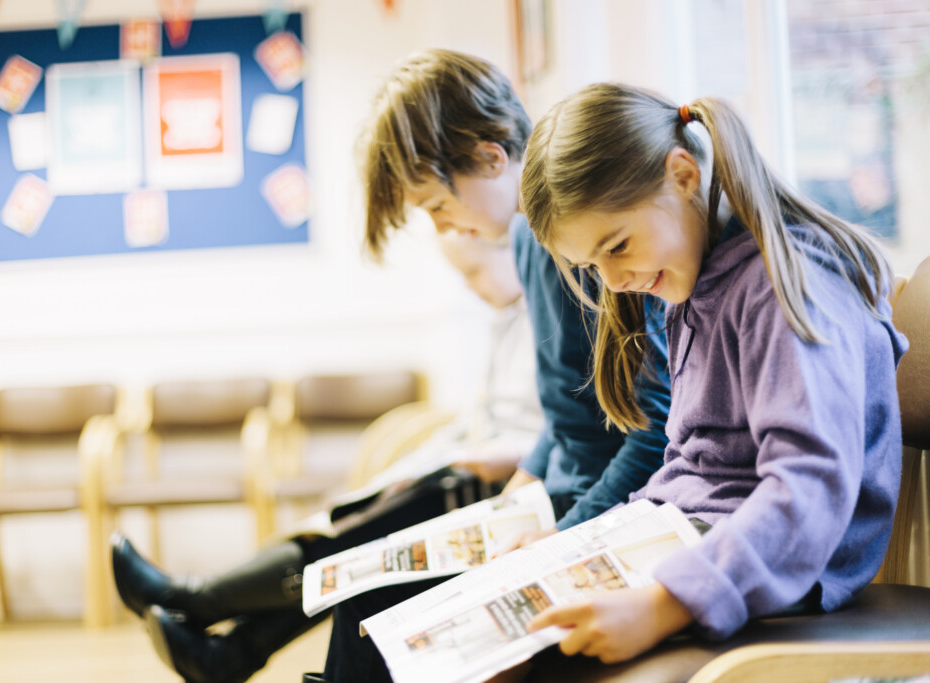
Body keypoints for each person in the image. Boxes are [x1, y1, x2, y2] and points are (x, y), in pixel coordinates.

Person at [516, 82, 907, 665]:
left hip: (764, 566)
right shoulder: (695, 282)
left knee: (525, 653)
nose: (614, 280)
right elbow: (692, 467)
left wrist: (663, 604)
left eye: (617, 245)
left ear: (683, 175)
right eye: (591, 266)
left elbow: (808, 489)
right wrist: (580, 543)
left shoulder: (782, 288)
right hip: (690, 535)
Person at [316, 50, 671, 683]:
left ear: (489, 157)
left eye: (433, 205)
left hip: (596, 511)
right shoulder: (531, 239)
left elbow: (650, 428)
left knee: (373, 615)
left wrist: (563, 532)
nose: (441, 225)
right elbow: (572, 411)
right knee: (364, 596)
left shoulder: (584, 246)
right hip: (562, 503)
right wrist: (526, 481)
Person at [109, 231, 544, 683]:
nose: (470, 286)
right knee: (352, 518)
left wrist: (509, 453)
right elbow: (478, 419)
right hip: (475, 476)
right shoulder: (509, 318)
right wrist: (406, 470)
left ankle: (208, 617)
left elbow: (563, 430)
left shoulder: (547, 317)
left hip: (506, 486)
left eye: (473, 271)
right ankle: (223, 640)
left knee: (356, 545)